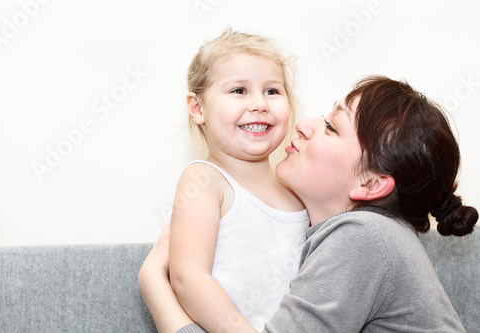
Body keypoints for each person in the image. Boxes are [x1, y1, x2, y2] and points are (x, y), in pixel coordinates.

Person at [139, 75, 478, 333]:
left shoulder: (364, 238)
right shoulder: (368, 237)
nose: (302, 126)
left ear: (371, 184)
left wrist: (154, 282)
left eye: (331, 127)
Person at [165, 28, 310, 333]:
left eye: (272, 91)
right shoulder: (205, 180)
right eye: (239, 91)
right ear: (198, 108)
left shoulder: (297, 186)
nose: (260, 103)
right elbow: (188, 278)